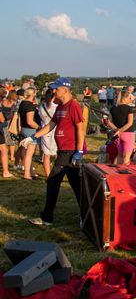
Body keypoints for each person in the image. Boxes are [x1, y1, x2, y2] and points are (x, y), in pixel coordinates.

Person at [22, 77, 85, 226]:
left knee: (53, 181)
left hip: (69, 151)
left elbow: (80, 128)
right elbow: (51, 124)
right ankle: (87, 213)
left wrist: (80, 150)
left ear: (65, 89)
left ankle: (47, 217)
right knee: (77, 185)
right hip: (63, 149)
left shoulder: (73, 105)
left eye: (56, 88)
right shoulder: (61, 106)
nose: (53, 91)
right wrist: (33, 137)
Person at [19, 87, 41, 180]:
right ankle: (27, 174)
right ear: (33, 94)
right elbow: (30, 121)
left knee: (24, 152)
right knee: (29, 153)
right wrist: (40, 128)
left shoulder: (22, 103)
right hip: (30, 130)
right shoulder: (30, 105)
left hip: (23, 129)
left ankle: (30, 172)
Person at [107, 90, 135, 165]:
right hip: (128, 134)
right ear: (124, 98)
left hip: (117, 135)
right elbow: (130, 123)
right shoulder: (129, 108)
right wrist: (120, 130)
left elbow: (109, 122)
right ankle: (124, 175)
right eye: (129, 98)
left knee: (119, 155)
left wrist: (117, 130)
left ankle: (114, 172)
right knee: (126, 157)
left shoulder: (113, 108)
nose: (131, 100)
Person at [38, 89, 57, 177]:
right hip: (55, 130)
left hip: (44, 130)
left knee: (46, 155)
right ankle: (58, 173)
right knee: (58, 154)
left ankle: (48, 175)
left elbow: (41, 117)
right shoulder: (56, 107)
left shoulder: (41, 106)